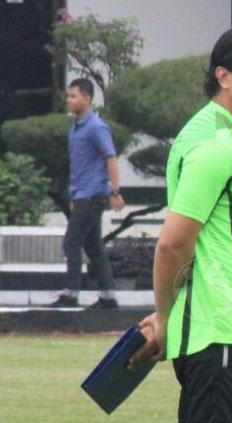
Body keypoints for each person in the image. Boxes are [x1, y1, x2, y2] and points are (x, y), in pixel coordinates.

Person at [128, 27, 232, 422]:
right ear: (223, 76)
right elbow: (173, 244)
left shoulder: (224, 136)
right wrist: (164, 317)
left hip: (227, 337)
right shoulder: (214, 143)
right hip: (222, 337)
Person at [47, 78, 125, 309]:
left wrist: (115, 191)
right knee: (93, 247)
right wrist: (73, 196)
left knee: (72, 242)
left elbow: (110, 157)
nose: (69, 101)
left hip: (93, 195)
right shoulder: (75, 129)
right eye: (68, 96)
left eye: (73, 96)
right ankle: (108, 296)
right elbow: (79, 165)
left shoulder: (96, 127)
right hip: (82, 195)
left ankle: (71, 294)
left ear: (87, 98)